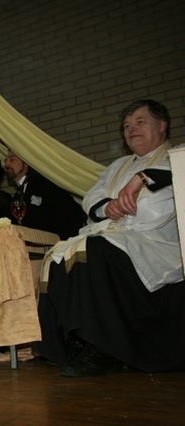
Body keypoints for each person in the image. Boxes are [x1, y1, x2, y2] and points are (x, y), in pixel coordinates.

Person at [34, 99, 185, 377]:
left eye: (140, 122)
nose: (131, 129)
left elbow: (175, 173)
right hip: (116, 233)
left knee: (95, 250)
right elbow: (93, 195)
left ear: (162, 125)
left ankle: (102, 348)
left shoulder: (177, 154)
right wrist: (108, 206)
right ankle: (73, 342)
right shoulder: (118, 164)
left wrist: (141, 177)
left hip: (158, 242)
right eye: (127, 126)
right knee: (57, 255)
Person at [4, 150, 85, 239]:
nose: (6, 164)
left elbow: (72, 213)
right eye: (6, 161)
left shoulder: (45, 184)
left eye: (12, 160)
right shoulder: (17, 196)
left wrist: (63, 243)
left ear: (26, 163)